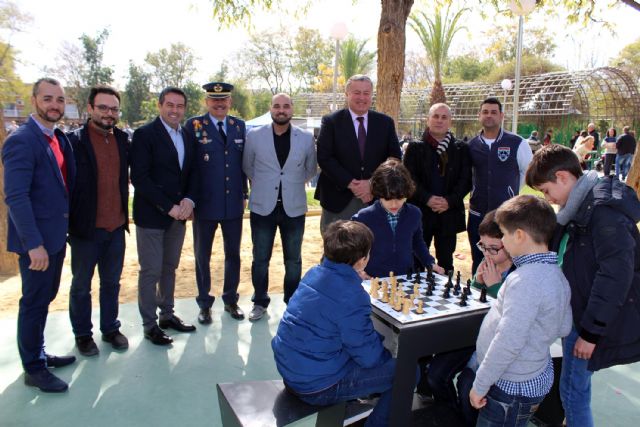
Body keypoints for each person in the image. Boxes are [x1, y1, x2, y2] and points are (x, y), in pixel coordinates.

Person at [526, 145, 640, 427]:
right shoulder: (577, 207)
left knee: (573, 393)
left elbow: (615, 276)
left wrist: (590, 333)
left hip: (589, 319)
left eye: (546, 190)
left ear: (563, 177)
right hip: (578, 311)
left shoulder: (603, 213)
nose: (547, 199)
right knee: (570, 388)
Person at [271, 220, 402, 427]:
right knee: (405, 370)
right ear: (362, 260)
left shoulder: (313, 273)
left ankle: (352, 405)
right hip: (315, 386)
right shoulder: (352, 295)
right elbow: (369, 358)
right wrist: (388, 353)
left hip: (289, 369)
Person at [467, 195, 572, 427]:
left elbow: (508, 341)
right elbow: (564, 325)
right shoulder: (556, 274)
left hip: (509, 387)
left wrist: (480, 385)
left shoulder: (524, 280)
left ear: (520, 235)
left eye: (504, 234)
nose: (503, 240)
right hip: (534, 374)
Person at [3, 77, 77, 392]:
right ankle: (33, 368)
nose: (54, 105)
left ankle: (39, 353)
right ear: (34, 100)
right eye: (48, 99)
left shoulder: (56, 138)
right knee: (34, 302)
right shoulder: (22, 140)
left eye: (59, 100)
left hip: (56, 238)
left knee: (44, 299)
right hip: (37, 244)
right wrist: (33, 244)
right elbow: (16, 197)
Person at [425, 210, 513, 426]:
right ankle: (451, 416)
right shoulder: (486, 262)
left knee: (467, 387)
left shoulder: (518, 272)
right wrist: (477, 284)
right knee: (435, 374)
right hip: (471, 336)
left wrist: (494, 287)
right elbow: (472, 301)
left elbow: (511, 315)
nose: (488, 253)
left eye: (494, 248)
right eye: (483, 247)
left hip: (495, 343)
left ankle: (468, 420)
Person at [130, 87, 198, 346]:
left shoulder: (188, 136)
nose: (175, 110)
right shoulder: (144, 135)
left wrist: (189, 202)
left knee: (169, 268)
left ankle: (166, 315)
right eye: (170, 105)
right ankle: (149, 325)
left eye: (180, 106)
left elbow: (193, 174)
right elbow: (140, 178)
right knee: (151, 271)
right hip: (152, 216)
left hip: (179, 217)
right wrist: (169, 207)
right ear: (160, 106)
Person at [242, 93, 317, 321]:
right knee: (260, 258)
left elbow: (310, 169)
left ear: (292, 109)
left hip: (293, 207)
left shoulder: (305, 137)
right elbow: (248, 166)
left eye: (285, 106)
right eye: (277, 106)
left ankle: (291, 302)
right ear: (271, 109)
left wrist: (290, 183)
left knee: (293, 260)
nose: (281, 110)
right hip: (262, 207)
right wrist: (267, 184)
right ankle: (260, 302)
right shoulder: (254, 136)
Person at [66, 85, 130, 356]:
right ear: (90, 108)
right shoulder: (72, 141)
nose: (108, 113)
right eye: (102, 107)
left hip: (116, 227)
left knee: (111, 283)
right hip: (85, 229)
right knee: (81, 285)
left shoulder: (124, 140)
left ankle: (110, 329)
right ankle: (83, 334)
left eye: (113, 109)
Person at [184, 82, 247, 324]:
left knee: (233, 254)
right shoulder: (195, 125)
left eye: (224, 99)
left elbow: (241, 164)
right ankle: (204, 303)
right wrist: (189, 198)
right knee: (203, 255)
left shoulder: (238, 126)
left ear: (230, 102)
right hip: (205, 203)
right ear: (207, 102)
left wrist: (244, 193)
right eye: (214, 99)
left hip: (232, 203)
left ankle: (230, 299)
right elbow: (189, 165)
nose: (219, 104)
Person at [315, 74, 402, 233]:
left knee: (374, 250)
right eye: (356, 92)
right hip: (338, 200)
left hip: (375, 199)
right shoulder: (331, 122)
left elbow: (394, 159)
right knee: (337, 251)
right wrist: (351, 183)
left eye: (366, 93)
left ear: (371, 95)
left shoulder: (385, 123)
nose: (362, 97)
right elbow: (324, 157)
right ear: (347, 94)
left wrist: (371, 184)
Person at [467, 97, 532, 273]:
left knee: (508, 258)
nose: (489, 116)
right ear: (479, 115)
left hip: (506, 215)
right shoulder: (471, 145)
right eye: (485, 112)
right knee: (478, 257)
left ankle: (503, 295)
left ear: (502, 115)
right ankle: (478, 292)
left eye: (494, 112)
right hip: (477, 214)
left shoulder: (517, 143)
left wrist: (511, 191)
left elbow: (527, 171)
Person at [403, 103, 471, 272]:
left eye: (444, 117)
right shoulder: (415, 148)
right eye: (435, 116)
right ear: (428, 120)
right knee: (417, 259)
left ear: (450, 122)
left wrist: (449, 201)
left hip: (448, 214)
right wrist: (428, 199)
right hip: (421, 212)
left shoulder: (461, 149)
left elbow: (466, 180)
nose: (439, 120)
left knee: (446, 262)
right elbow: (409, 179)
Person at [351, 159, 443, 278]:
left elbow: (417, 242)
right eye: (388, 199)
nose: (394, 205)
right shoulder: (364, 217)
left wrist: (429, 262)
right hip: (374, 278)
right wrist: (358, 271)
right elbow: (351, 250)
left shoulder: (414, 213)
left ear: (407, 193)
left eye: (400, 199)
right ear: (378, 194)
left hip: (405, 277)